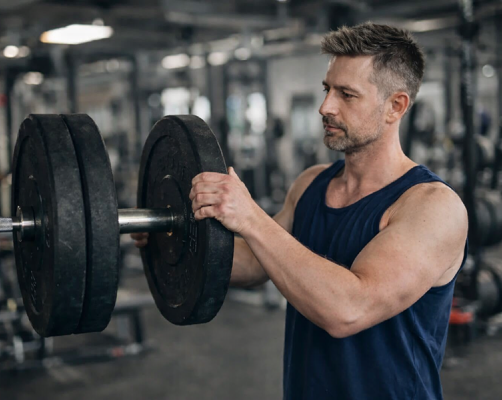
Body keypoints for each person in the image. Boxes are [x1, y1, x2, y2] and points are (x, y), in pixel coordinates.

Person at [133, 22, 468, 400]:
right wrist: (169, 237)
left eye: (347, 94)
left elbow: (348, 309)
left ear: (396, 106)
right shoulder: (311, 184)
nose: (326, 106)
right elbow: (259, 263)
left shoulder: (432, 207)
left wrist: (250, 216)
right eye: (327, 89)